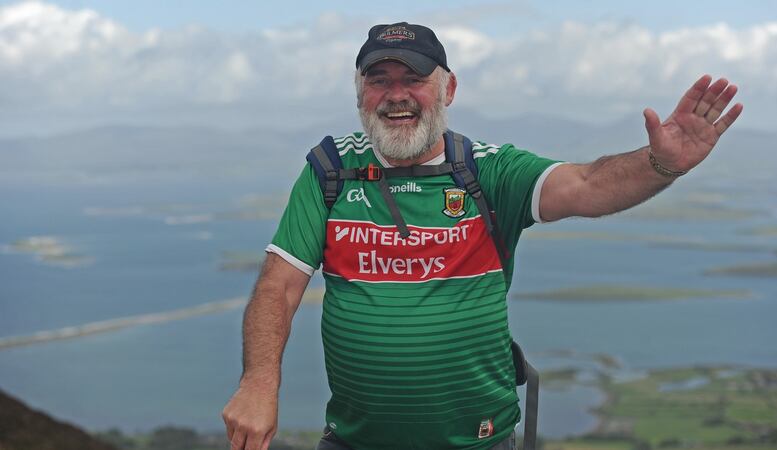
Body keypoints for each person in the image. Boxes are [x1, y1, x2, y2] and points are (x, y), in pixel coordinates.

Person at [222, 22, 742, 450]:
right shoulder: (331, 169)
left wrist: (660, 164)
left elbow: (587, 185)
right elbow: (279, 285)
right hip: (355, 442)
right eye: (378, 79)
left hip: (479, 442)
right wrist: (259, 383)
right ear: (360, 93)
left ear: (447, 89)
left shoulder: (487, 171)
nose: (396, 95)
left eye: (415, 78)